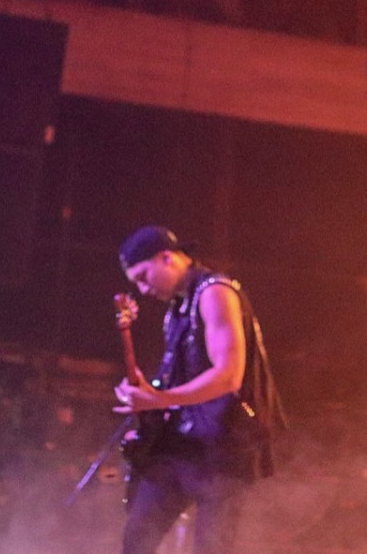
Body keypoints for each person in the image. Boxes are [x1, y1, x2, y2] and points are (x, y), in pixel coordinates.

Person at [112, 225, 283, 554]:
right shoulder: (177, 309)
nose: (143, 289)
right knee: (137, 538)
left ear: (167, 258)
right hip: (184, 446)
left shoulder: (215, 292)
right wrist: (149, 392)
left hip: (225, 449)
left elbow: (228, 376)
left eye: (144, 276)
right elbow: (184, 380)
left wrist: (159, 399)